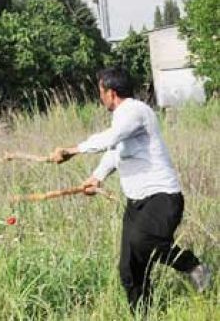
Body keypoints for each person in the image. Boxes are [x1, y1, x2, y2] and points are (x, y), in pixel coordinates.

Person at [50, 67, 211, 314]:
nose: (99, 96)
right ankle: (143, 314)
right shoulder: (122, 118)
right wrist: (97, 177)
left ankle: (192, 266)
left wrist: (72, 150)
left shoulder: (135, 111)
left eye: (100, 91)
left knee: (144, 241)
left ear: (110, 92)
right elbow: (115, 152)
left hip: (162, 197)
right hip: (136, 203)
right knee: (129, 267)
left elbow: (112, 138)